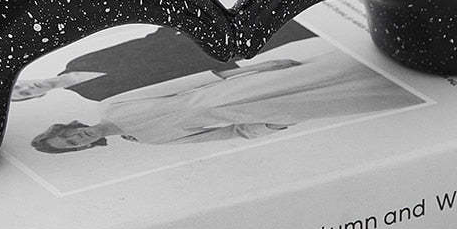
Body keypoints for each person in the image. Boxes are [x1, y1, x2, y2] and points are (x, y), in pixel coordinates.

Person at [31, 51, 417, 153]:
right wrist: (271, 125)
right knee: (337, 100)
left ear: (69, 127)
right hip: (257, 112)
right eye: (72, 146)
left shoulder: (113, 105)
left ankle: (400, 64)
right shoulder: (147, 140)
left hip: (234, 88)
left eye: (69, 136)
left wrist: (258, 67)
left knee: (324, 74)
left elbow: (189, 82)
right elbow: (228, 135)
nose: (77, 139)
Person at [12, 20, 316, 102]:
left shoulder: (77, 59)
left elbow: (134, 45)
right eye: (26, 94)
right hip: (200, 63)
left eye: (21, 87)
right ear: (36, 97)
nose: (29, 88)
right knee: (282, 37)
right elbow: (165, 87)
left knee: (267, 23)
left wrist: (170, 30)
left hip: (183, 40)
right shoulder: (93, 94)